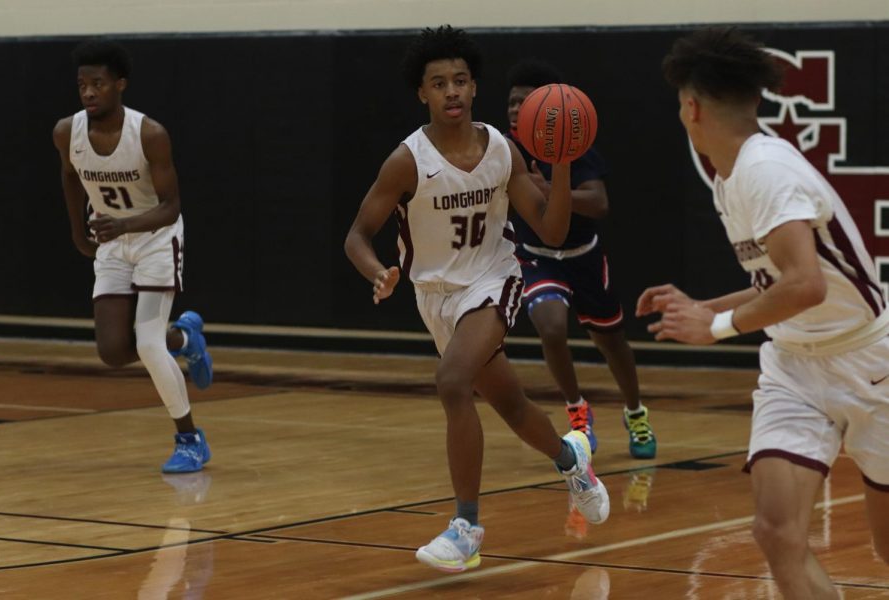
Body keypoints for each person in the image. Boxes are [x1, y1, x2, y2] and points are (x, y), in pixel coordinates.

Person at [344, 25, 610, 573]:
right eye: (439, 83)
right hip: (435, 296)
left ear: (473, 86)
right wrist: (376, 272)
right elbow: (355, 235)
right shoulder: (407, 161)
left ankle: (466, 526)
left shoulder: (502, 150)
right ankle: (572, 462)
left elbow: (551, 231)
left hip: (494, 280)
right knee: (509, 403)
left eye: (461, 80)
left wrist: (559, 163)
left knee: (451, 381)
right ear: (422, 93)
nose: (452, 91)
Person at [640, 27, 889, 599]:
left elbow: (805, 286)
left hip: (869, 361)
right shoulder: (732, 178)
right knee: (777, 533)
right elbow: (777, 283)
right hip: (795, 368)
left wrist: (718, 327)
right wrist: (705, 307)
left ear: (692, 106)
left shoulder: (766, 169)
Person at [52, 39, 213, 474]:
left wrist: (122, 225)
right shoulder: (67, 131)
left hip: (156, 237)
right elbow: (69, 176)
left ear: (119, 85)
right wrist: (76, 230)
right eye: (82, 84)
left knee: (145, 342)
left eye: (98, 84)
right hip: (111, 240)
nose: (88, 92)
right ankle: (184, 339)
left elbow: (171, 205)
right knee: (112, 350)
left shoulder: (150, 134)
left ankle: (190, 440)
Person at [505, 59, 656, 459]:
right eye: (511, 102)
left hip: (583, 256)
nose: (515, 109)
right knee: (551, 328)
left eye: (524, 102)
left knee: (612, 342)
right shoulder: (503, 149)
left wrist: (554, 190)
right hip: (537, 257)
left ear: (544, 108)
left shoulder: (572, 144)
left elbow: (600, 203)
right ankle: (577, 411)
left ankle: (635, 412)